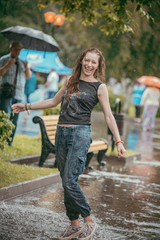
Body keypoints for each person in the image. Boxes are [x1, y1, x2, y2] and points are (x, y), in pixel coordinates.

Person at [12, 48, 126, 239]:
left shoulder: (100, 87)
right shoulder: (70, 81)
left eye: (94, 62)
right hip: (61, 133)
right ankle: (74, 225)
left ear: (98, 66)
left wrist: (118, 140)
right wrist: (26, 105)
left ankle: (89, 220)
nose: (89, 65)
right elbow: (53, 102)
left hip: (80, 135)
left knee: (69, 180)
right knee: (66, 181)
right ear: (82, 60)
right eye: (87, 60)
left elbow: (108, 115)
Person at [0, 41, 31, 145]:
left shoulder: (22, 62)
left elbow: (28, 76)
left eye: (19, 50)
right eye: (16, 49)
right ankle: (2, 140)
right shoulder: (4, 59)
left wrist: (26, 67)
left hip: (19, 94)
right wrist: (8, 65)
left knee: (15, 120)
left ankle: (9, 142)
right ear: (11, 48)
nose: (18, 52)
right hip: (6, 93)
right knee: (6, 116)